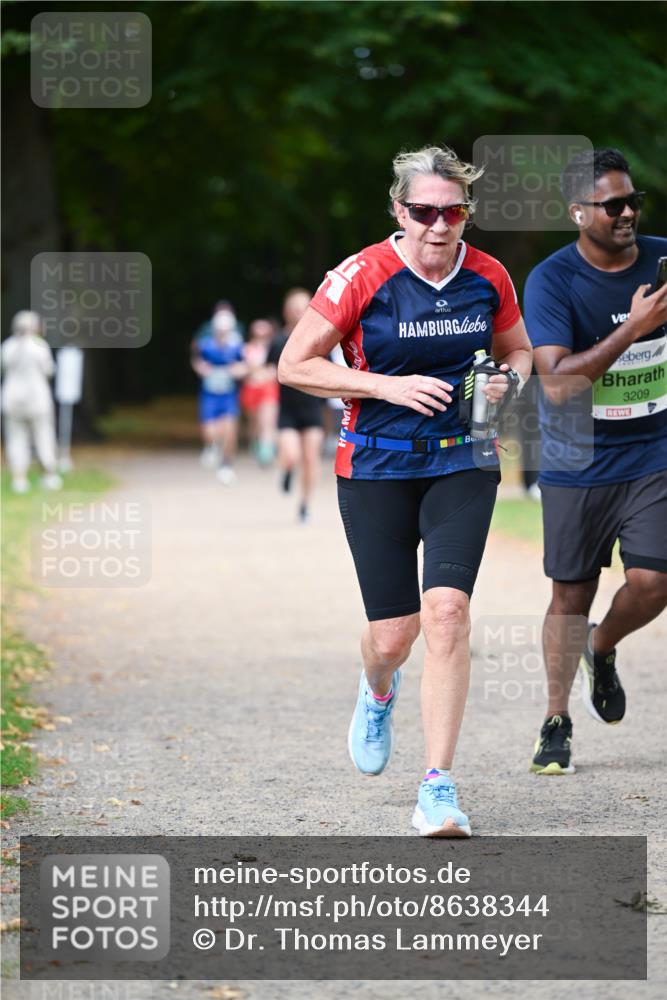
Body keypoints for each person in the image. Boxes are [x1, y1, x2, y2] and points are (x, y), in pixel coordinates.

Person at [278, 145, 532, 835]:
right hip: (375, 467)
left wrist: (511, 382)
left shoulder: (487, 275)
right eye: (423, 211)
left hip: (461, 460)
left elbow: (518, 349)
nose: (438, 225)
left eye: (452, 212)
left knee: (446, 614)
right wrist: (382, 385)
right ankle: (378, 686)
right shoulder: (360, 275)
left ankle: (438, 787)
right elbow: (294, 365)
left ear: (465, 215)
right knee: (393, 636)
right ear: (399, 210)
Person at [524, 148, 667, 775]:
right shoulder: (552, 280)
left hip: (654, 449)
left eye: (634, 200)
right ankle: (556, 719)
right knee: (571, 592)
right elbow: (556, 384)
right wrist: (632, 329)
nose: (628, 211)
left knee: (655, 582)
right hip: (577, 457)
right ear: (578, 212)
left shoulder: (664, 261)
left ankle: (602, 648)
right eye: (613, 204)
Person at [267, 289, 324, 522]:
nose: (298, 312)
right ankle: (288, 470)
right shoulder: (279, 341)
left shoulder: (318, 339)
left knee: (311, 459)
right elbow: (269, 369)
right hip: (288, 410)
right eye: (294, 308)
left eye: (302, 307)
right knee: (291, 455)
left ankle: (304, 505)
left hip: (312, 409)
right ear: (286, 311)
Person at [1, 310, 62, 493]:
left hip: (12, 399)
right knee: (44, 436)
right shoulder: (39, 346)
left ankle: (19, 479)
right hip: (37, 400)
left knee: (16, 439)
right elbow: (49, 371)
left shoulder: (7, 346)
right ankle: (48, 475)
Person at [191, 306, 247, 484]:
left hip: (229, 395)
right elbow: (196, 358)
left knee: (229, 431)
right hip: (209, 395)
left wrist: (239, 370)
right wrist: (200, 368)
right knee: (210, 432)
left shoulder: (236, 346)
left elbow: (246, 365)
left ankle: (226, 465)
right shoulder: (206, 345)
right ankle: (212, 447)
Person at [240, 318, 280, 466]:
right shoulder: (247, 348)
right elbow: (245, 368)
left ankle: (267, 449)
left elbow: (274, 368)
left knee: (268, 420)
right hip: (251, 388)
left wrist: (259, 372)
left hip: (268, 388)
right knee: (254, 421)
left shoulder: (274, 347)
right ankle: (256, 444)